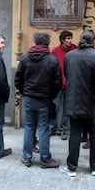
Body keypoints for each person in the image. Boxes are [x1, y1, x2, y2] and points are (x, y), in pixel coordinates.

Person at [59, 30, 95, 177]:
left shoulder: (70, 56)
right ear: (93, 41)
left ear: (81, 40)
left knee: (75, 134)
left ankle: (72, 167)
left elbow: (66, 74)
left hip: (75, 101)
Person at [15, 33, 62, 168]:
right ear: (47, 43)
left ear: (35, 42)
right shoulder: (52, 60)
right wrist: (51, 96)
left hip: (29, 98)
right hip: (44, 99)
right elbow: (57, 82)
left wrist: (26, 92)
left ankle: (26, 157)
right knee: (43, 128)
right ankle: (45, 159)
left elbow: (18, 80)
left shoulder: (25, 59)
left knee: (29, 127)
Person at [49, 30, 77, 140]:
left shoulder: (75, 50)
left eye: (71, 38)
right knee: (55, 106)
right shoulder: (55, 51)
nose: (70, 41)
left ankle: (64, 129)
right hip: (58, 84)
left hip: (70, 84)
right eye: (68, 38)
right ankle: (52, 127)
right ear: (62, 40)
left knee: (67, 109)